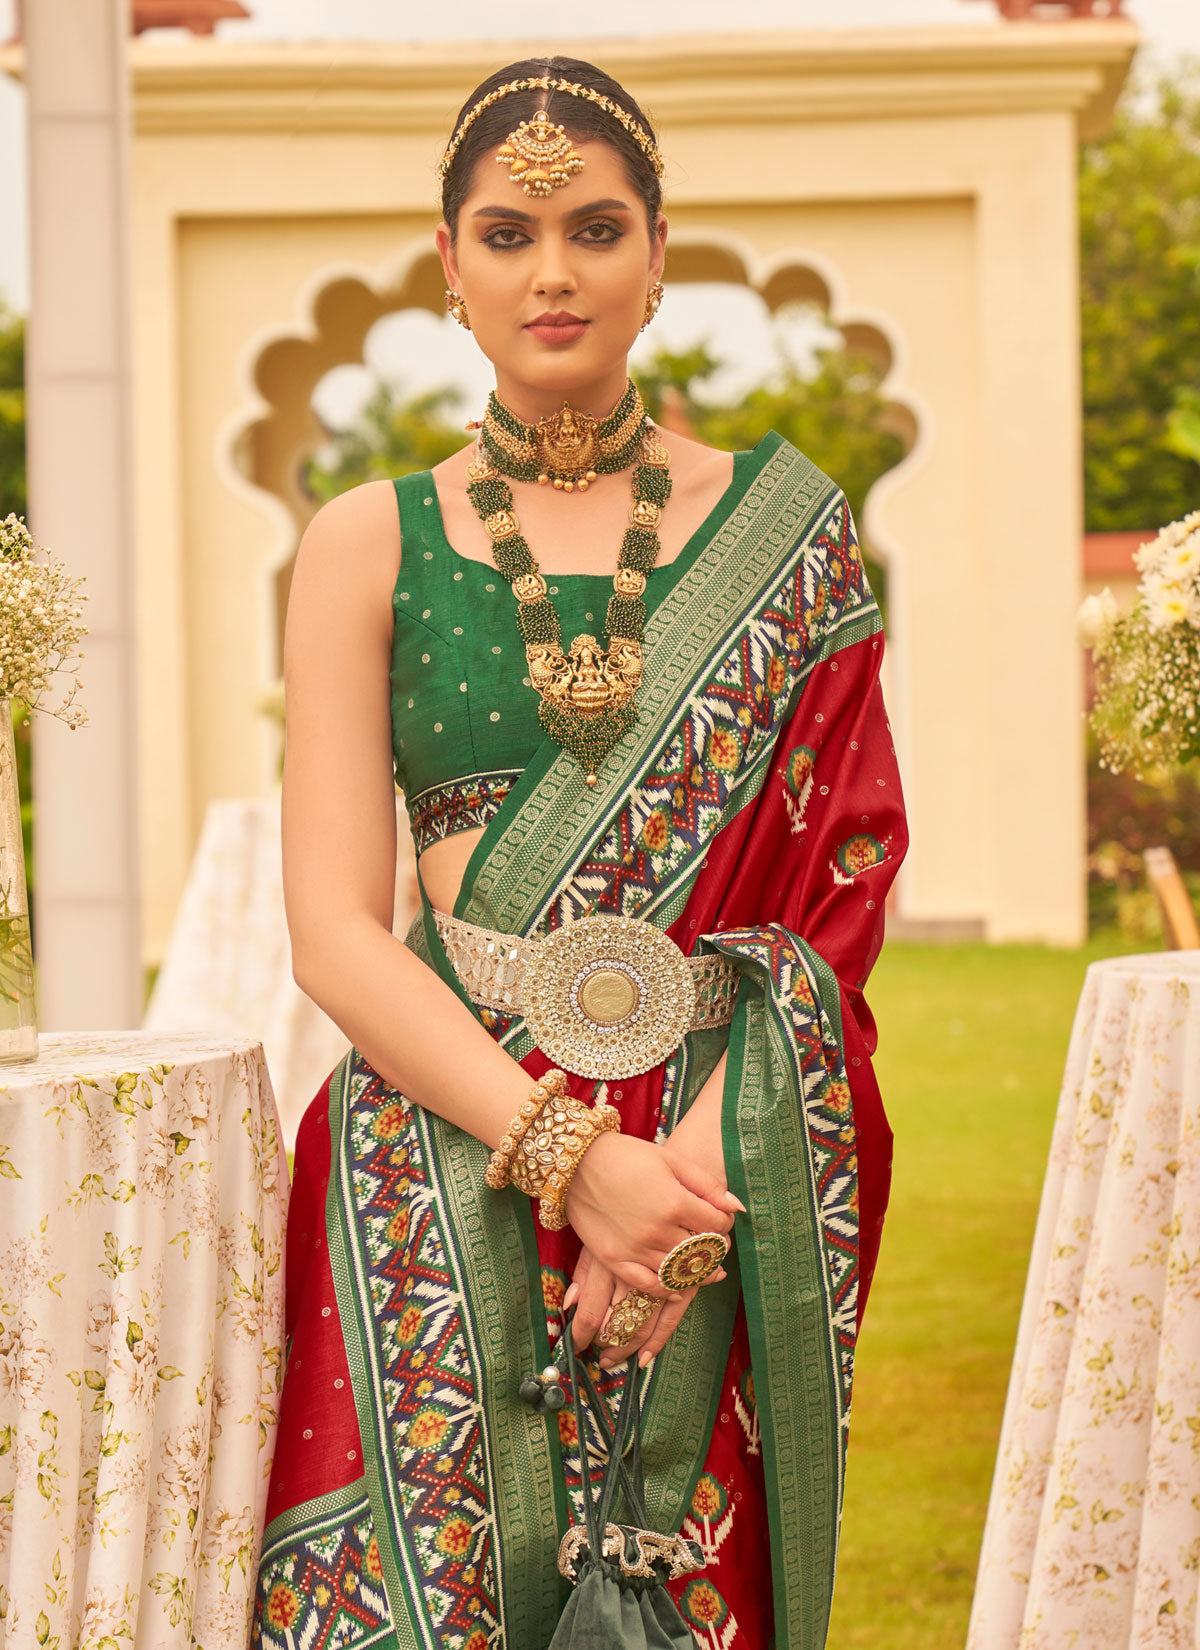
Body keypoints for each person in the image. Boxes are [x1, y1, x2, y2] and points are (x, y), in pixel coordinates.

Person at [251, 53, 908, 1650]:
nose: (553, 272)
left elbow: (829, 906)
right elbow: (335, 932)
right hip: (436, 1148)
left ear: (659, 252)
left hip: (711, 1155)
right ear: (450, 264)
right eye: (508, 234)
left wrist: (675, 1200)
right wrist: (574, 1160)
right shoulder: (367, 541)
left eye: (596, 229)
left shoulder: (788, 535)